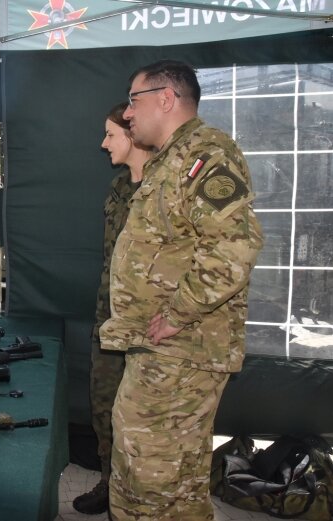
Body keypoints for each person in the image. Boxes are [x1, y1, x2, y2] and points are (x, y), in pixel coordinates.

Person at [100, 60, 263, 520]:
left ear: (166, 98)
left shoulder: (204, 157)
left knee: (151, 476)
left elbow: (235, 245)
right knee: (172, 478)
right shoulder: (171, 159)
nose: (128, 114)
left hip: (183, 351)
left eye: (134, 101)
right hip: (164, 349)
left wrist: (178, 313)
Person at [72, 103, 152, 515]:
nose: (103, 144)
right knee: (104, 403)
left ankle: (136, 492)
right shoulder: (119, 188)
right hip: (109, 321)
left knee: (143, 417)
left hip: (150, 331)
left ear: (133, 135)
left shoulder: (165, 188)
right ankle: (108, 481)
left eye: (110, 134)